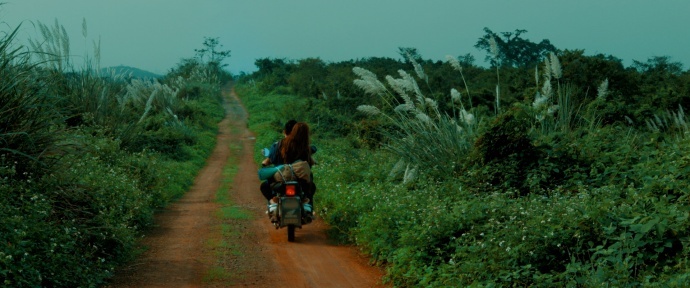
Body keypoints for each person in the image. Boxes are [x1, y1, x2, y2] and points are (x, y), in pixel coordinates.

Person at [260, 121, 317, 220]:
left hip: (281, 179)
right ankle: (308, 205)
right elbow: (309, 161)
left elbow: (271, 159)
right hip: (300, 181)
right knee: (311, 184)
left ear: (285, 131)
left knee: (265, 185)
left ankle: (273, 202)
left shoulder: (279, 144)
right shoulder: (304, 147)